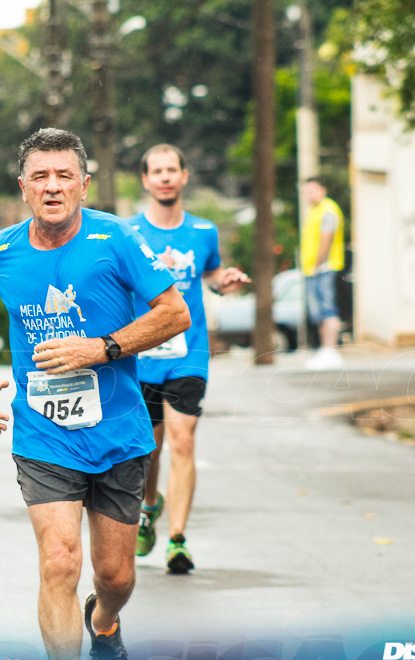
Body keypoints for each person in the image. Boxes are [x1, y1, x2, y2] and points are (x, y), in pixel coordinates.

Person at [0, 128, 190, 660]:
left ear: (85, 185)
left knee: (114, 577)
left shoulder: (117, 239)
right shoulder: (1, 250)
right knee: (59, 563)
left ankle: (105, 623)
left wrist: (102, 348)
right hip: (43, 434)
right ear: (23, 188)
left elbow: (174, 313)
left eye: (65, 175)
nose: (53, 186)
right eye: (40, 176)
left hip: (118, 434)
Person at [129, 144, 249, 574]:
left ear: (184, 176)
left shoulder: (203, 232)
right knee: (148, 450)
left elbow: (212, 274)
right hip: (140, 354)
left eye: (171, 170)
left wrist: (225, 279)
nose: (164, 177)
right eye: (156, 171)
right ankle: (148, 507)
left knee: (183, 441)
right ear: (145, 180)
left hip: (188, 352)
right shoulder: (129, 232)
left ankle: (177, 540)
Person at [301, 176, 346, 370]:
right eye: (306, 191)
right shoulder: (313, 210)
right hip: (312, 269)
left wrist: (318, 263)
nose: (309, 195)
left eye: (312, 191)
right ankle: (325, 351)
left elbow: (326, 238)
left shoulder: (328, 209)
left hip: (323, 268)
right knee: (318, 312)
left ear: (322, 190)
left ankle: (331, 350)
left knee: (327, 308)